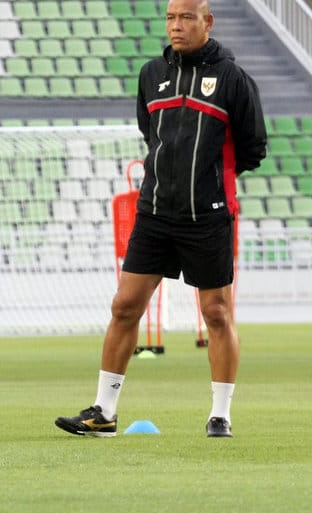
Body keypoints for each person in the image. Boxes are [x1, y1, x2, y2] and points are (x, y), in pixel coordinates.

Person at [55, 0, 267, 438]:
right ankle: (104, 412)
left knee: (216, 313)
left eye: (186, 17)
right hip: (154, 213)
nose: (176, 25)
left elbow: (253, 147)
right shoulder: (151, 75)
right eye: (171, 17)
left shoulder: (232, 79)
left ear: (207, 22)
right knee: (124, 306)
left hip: (208, 216)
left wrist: (209, 182)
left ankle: (220, 415)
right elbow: (150, 133)